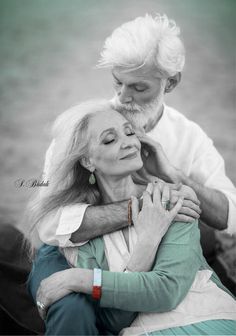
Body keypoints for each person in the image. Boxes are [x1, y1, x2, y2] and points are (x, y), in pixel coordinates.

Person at [28, 100, 236, 335]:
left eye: (129, 132)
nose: (128, 143)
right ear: (87, 161)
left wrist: (77, 278)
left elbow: (168, 289)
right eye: (110, 139)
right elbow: (116, 319)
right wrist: (147, 242)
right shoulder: (78, 228)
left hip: (209, 320)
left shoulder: (172, 196)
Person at [37, 14, 236, 254]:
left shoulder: (189, 136)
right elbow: (48, 224)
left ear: (171, 83)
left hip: (163, 257)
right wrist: (142, 208)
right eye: (118, 82)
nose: (122, 97)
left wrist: (174, 176)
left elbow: (229, 216)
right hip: (86, 255)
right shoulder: (80, 129)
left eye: (138, 88)